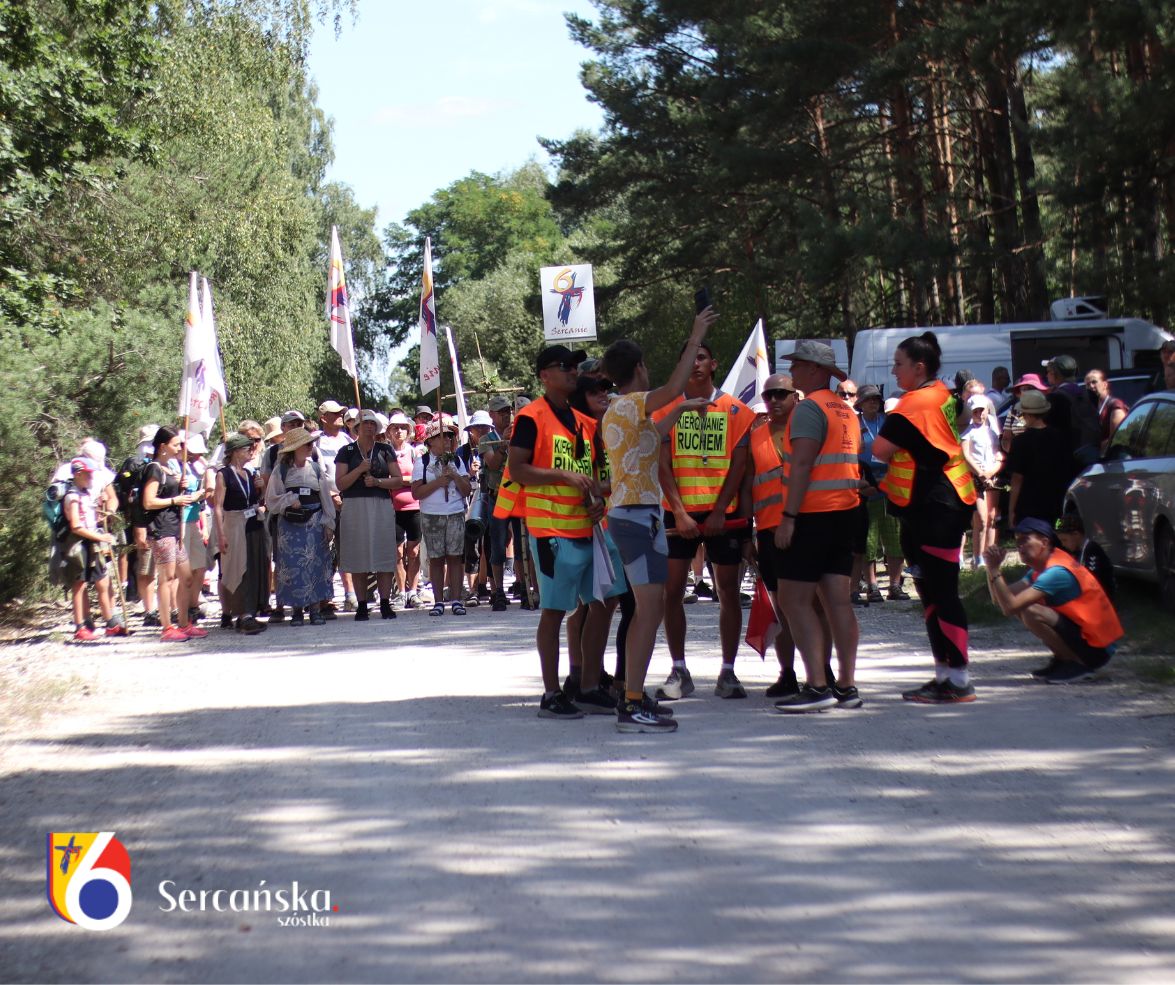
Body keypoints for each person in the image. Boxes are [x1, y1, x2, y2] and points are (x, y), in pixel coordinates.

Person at [598, 310, 715, 731]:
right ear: (640, 367)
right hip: (637, 515)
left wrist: (682, 409)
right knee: (649, 611)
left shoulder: (620, 410)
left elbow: (652, 434)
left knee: (645, 611)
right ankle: (632, 702)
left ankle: (632, 694)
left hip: (632, 514)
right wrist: (695, 336)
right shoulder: (632, 403)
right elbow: (673, 388)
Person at [494, 343, 609, 719]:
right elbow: (518, 469)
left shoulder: (584, 423)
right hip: (551, 531)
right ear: (544, 375)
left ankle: (588, 686)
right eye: (564, 366)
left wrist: (597, 499)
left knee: (601, 604)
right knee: (555, 611)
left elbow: (591, 475)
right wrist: (563, 476)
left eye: (574, 366)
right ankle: (551, 693)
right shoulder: (532, 417)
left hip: (586, 529)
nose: (572, 371)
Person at [871, 332, 978, 704]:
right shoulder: (943, 394)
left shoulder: (913, 404)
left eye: (898, 364)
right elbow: (960, 419)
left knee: (941, 593)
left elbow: (879, 449)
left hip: (937, 505)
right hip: (935, 503)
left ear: (919, 368)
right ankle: (945, 675)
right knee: (931, 592)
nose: (893, 371)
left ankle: (959, 680)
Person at [651, 337, 755, 701]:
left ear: (713, 364)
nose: (695, 364)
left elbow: (740, 466)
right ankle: (679, 669)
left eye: (701, 357)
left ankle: (728, 671)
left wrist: (720, 511)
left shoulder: (737, 410)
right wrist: (679, 512)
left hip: (722, 516)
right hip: (678, 514)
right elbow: (662, 464)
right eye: (688, 358)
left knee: (728, 592)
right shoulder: (666, 410)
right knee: (672, 592)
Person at [771, 341, 863, 713]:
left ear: (813, 369)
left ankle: (817, 685)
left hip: (812, 515)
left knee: (793, 600)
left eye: (796, 365)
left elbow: (803, 464)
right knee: (838, 602)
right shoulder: (845, 409)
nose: (791, 371)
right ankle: (846, 686)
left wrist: (788, 518)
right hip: (845, 512)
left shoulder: (809, 408)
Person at [748, 372, 835, 699]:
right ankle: (787, 674)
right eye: (768, 395)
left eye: (781, 394)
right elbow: (748, 485)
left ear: (795, 397)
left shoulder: (809, 430)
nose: (773, 400)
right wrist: (745, 535)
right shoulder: (755, 436)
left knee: (816, 604)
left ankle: (822, 671)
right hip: (769, 531)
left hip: (806, 526)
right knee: (781, 607)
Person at [983, 518, 1124, 683]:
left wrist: (994, 569)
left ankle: (1075, 665)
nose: (1019, 545)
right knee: (1026, 608)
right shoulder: (1042, 568)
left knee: (1030, 610)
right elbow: (999, 599)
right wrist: (990, 568)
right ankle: (1064, 661)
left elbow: (1010, 607)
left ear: (1044, 542)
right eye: (1017, 541)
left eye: (1024, 540)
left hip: (1098, 648)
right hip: (1087, 639)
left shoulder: (1057, 571)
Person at [334, 409, 402, 620]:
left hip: (380, 504)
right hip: (354, 505)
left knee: (383, 552)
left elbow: (398, 479)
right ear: (357, 427)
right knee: (358, 555)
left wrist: (378, 482)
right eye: (366, 423)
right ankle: (362, 604)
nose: (370, 427)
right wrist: (359, 469)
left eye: (373, 424)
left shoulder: (385, 449)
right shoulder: (346, 451)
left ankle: (385, 603)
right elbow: (340, 483)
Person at [140, 426, 206, 642]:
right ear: (163, 446)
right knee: (167, 578)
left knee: (186, 577)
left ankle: (184, 623)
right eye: (176, 444)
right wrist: (174, 500)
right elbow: (148, 502)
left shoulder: (168, 468)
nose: (180, 448)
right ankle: (167, 627)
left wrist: (180, 486)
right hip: (161, 530)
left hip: (174, 529)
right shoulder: (154, 469)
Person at [266, 427, 336, 625]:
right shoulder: (281, 470)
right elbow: (271, 498)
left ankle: (315, 609)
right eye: (306, 444)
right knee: (292, 565)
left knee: (316, 564)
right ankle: (296, 610)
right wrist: (289, 500)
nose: (310, 447)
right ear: (295, 447)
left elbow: (325, 497)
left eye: (310, 443)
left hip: (314, 523)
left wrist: (329, 523)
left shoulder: (315, 469)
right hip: (290, 525)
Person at [412, 417, 472, 616]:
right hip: (432, 515)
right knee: (436, 558)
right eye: (442, 436)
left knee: (455, 557)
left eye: (449, 436)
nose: (447, 439)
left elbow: (466, 490)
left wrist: (454, 475)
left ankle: (456, 600)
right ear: (430, 441)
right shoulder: (423, 462)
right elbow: (416, 493)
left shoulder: (457, 460)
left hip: (454, 513)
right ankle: (438, 601)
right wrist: (438, 482)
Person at [60, 458, 123, 641]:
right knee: (79, 584)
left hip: (91, 542)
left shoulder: (85, 493)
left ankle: (111, 623)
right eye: (88, 474)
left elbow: (89, 518)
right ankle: (80, 627)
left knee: (102, 580)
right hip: (78, 544)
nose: (91, 477)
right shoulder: (72, 496)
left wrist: (102, 512)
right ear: (78, 474)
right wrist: (101, 537)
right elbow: (76, 526)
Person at [215, 433, 268, 634]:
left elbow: (255, 500)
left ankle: (250, 613)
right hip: (235, 526)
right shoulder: (223, 474)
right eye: (247, 448)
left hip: (253, 525)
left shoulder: (248, 473)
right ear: (235, 452)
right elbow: (217, 507)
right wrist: (221, 535)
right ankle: (242, 614)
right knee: (239, 569)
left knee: (254, 567)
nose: (252, 451)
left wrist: (261, 489)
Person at [1006, 389, 1074, 528]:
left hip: (1028, 504)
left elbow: (1017, 478)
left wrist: (1011, 510)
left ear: (1028, 414)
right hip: (1055, 501)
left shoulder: (1020, 441)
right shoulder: (1060, 438)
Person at [480, 395, 517, 611]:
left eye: (507, 412)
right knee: (498, 544)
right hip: (498, 496)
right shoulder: (487, 439)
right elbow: (492, 464)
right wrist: (503, 444)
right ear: (492, 415)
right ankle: (499, 590)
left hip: (518, 494)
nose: (505, 415)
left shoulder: (518, 433)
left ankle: (525, 586)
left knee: (521, 542)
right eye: (501, 412)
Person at [960, 394, 1004, 568]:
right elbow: (965, 456)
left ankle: (989, 555)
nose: (979, 414)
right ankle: (977, 558)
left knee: (992, 518)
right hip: (976, 478)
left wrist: (992, 471)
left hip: (992, 476)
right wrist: (981, 474)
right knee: (981, 519)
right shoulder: (968, 433)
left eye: (982, 410)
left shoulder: (993, 431)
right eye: (976, 411)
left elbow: (998, 454)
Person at [387, 413, 423, 608]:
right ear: (389, 431)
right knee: (397, 551)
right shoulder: (385, 453)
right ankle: (401, 592)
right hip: (393, 509)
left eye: (402, 427)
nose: (399, 431)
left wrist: (397, 480)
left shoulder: (415, 452)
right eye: (395, 427)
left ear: (408, 431)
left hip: (415, 507)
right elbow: (382, 479)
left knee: (414, 551)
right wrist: (400, 481)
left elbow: (420, 478)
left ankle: (413, 591)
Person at [179, 432, 214, 624]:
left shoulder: (197, 466)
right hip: (179, 522)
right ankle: (179, 609)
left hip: (193, 520)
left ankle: (193, 605)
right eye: (193, 451)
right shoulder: (174, 466)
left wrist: (204, 526)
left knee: (200, 567)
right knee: (182, 570)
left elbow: (202, 496)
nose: (197, 455)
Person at [1054, 512, 1116, 599]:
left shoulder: (1092, 549)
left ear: (1076, 535)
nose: (1063, 544)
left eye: (1064, 540)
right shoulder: (1078, 551)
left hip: (1100, 598)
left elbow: (1093, 578)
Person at [1084, 369, 1129, 453]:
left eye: (1094, 382)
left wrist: (1095, 448)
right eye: (1087, 384)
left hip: (1114, 457)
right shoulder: (1092, 407)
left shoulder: (1115, 406)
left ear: (1105, 384)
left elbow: (1116, 440)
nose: (1091, 386)